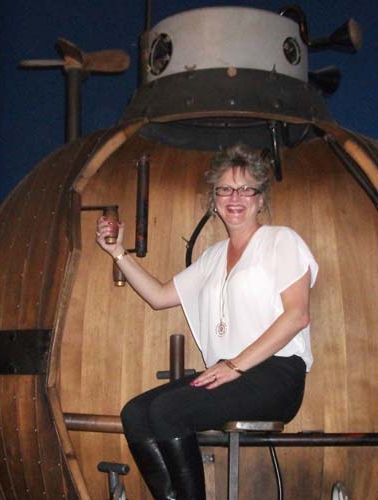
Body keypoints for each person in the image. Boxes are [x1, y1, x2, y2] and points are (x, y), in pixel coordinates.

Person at [94, 144, 318, 500]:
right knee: (135, 413)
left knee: (167, 412)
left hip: (277, 375)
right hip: (228, 372)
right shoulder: (212, 257)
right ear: (214, 200)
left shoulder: (281, 240)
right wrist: (118, 251)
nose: (235, 197)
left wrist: (235, 365)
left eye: (246, 189)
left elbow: (297, 315)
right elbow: (159, 296)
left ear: (261, 199)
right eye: (225, 189)